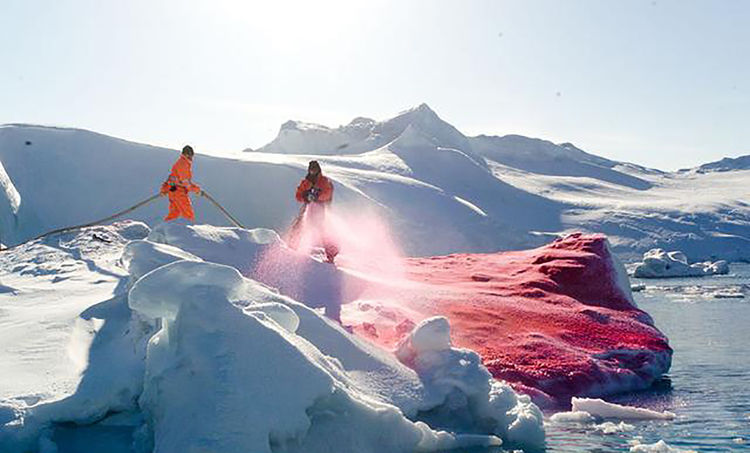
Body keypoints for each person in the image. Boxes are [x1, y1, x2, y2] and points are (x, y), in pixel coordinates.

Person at [294, 160, 338, 263]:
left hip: (319, 208)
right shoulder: (305, 182)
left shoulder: (323, 181)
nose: (312, 171)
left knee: (321, 229)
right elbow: (298, 195)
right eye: (311, 169)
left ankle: (331, 253)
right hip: (307, 207)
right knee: (298, 226)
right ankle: (292, 247)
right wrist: (304, 196)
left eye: (315, 169)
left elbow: (328, 193)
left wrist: (317, 196)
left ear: (318, 170)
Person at [160, 145, 201, 221]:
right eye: (191, 155)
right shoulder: (183, 164)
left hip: (173, 189)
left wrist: (164, 189)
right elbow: (185, 182)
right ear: (187, 154)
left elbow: (172, 177)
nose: (191, 158)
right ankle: (188, 230)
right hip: (178, 191)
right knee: (188, 214)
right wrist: (197, 190)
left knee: (174, 213)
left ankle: (164, 228)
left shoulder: (180, 162)